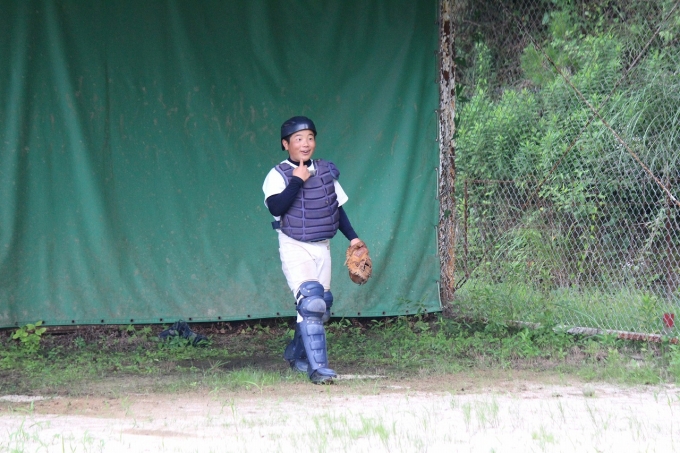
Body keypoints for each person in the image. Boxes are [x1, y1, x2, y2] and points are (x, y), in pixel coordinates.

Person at [262, 115, 363, 384]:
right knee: (311, 302)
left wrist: (353, 239)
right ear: (286, 144)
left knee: (322, 306)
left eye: (310, 138)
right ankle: (318, 369)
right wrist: (297, 180)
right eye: (298, 139)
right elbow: (275, 207)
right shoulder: (278, 174)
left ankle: (297, 354)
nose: (305, 144)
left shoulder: (326, 171)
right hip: (294, 244)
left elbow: (336, 209)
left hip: (323, 246)